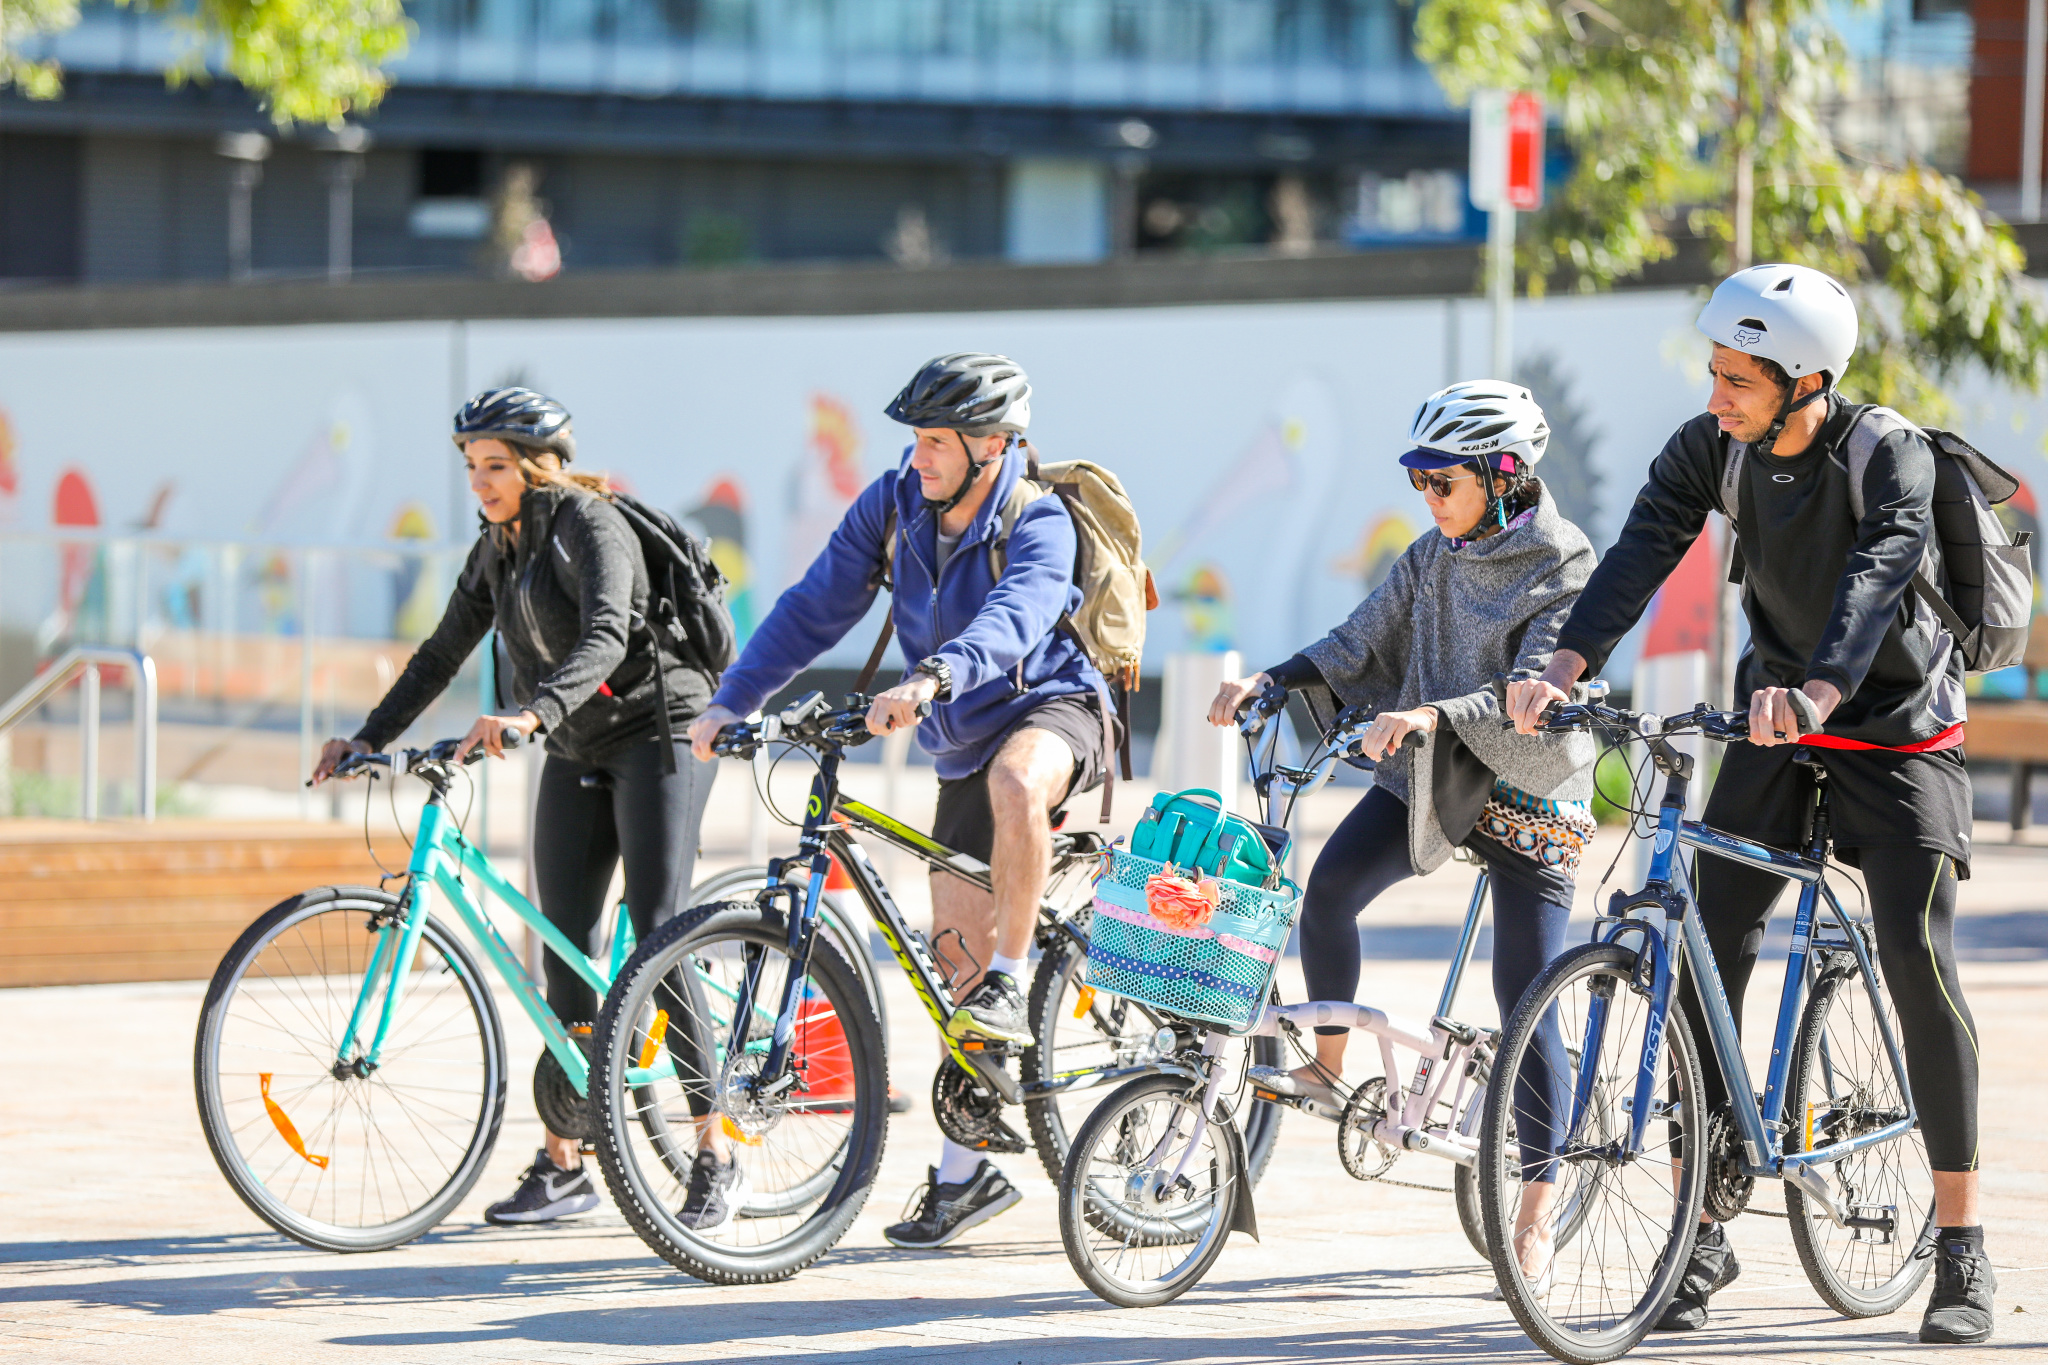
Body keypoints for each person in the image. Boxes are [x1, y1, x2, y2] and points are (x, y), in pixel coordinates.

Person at [1508, 264, 1994, 1344]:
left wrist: (1821, 688)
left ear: (1805, 380)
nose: (1716, 395)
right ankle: (1701, 1218)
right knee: (1704, 933)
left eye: (1738, 379)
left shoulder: (1885, 455)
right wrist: (1567, 660)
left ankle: (1960, 1246)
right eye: (1714, 373)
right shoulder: (1709, 451)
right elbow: (1640, 548)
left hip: (1892, 727)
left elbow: (1877, 575)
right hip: (1769, 719)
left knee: (1915, 951)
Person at [689, 352, 1115, 1251]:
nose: (917, 458)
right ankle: (966, 1179)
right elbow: (816, 606)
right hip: (957, 731)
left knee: (1014, 785)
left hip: (1051, 709)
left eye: (934, 442)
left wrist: (932, 677)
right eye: (914, 440)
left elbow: (1019, 615)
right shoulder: (892, 506)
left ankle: (1015, 975)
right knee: (950, 962)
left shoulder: (1039, 521)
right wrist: (737, 696)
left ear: (990, 444)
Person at [1208, 381, 1597, 1289]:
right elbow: (1357, 642)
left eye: (1441, 479)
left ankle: (1539, 1206)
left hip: (1531, 786)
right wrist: (1271, 679)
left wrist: (1429, 712)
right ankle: (1329, 1070)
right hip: (1429, 769)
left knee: (1527, 993)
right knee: (1330, 888)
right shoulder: (1430, 557)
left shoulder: (1565, 562)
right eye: (1416, 478)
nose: (1426, 497)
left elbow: (1534, 689)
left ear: (1504, 477)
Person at [310, 387, 719, 1228]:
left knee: (660, 926)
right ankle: (566, 1163)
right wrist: (364, 736)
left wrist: (533, 713)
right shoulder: (498, 547)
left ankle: (717, 1147)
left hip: (659, 728)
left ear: (539, 466)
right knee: (563, 942)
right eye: (471, 467)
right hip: (575, 743)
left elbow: (608, 633)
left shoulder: (589, 524)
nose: (479, 481)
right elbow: (439, 653)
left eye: (494, 465)